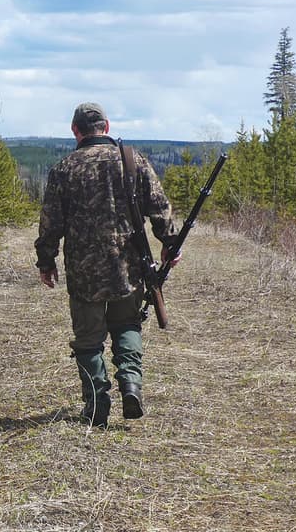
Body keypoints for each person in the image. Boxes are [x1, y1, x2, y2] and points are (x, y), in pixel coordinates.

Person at [34, 102, 177, 428]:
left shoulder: (64, 169)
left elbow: (50, 223)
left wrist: (46, 260)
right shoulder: (133, 161)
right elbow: (160, 208)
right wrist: (169, 244)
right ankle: (131, 385)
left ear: (75, 131)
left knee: (88, 339)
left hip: (84, 272)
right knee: (127, 325)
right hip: (128, 267)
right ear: (107, 126)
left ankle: (97, 404)